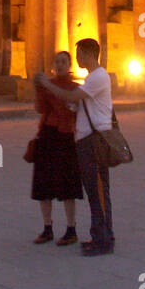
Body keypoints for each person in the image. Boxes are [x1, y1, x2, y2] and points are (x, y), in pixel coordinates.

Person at [34, 38, 114, 256]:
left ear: (87, 53)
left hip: (94, 142)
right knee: (94, 192)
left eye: (78, 53)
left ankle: (104, 241)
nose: (76, 57)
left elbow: (71, 95)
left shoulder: (98, 76)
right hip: (87, 141)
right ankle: (99, 234)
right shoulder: (92, 78)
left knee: (98, 192)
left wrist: (48, 84)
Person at [29, 50, 80, 246]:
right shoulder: (47, 85)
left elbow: (67, 109)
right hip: (47, 135)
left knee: (68, 186)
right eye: (57, 61)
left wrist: (48, 87)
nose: (59, 65)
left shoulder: (75, 88)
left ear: (69, 65)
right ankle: (47, 227)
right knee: (43, 185)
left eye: (63, 62)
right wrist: (39, 90)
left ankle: (71, 228)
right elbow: (40, 109)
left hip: (66, 136)